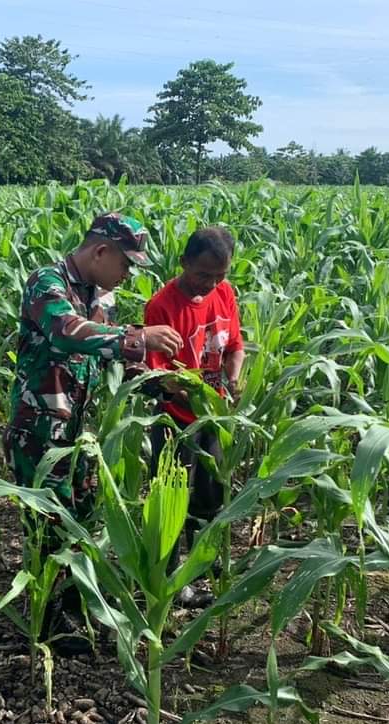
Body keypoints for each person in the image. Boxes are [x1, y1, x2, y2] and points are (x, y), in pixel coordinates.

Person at [3, 212, 183, 652]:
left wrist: (157, 382)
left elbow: (107, 352)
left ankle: (71, 601)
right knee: (46, 524)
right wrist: (137, 336)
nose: (128, 274)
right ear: (101, 251)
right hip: (39, 431)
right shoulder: (46, 283)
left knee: (78, 516)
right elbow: (68, 333)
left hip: (77, 432)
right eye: (126, 264)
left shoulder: (98, 297)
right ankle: (45, 624)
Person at [144, 227, 244, 608]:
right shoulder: (162, 306)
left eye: (220, 275)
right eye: (204, 274)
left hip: (213, 416)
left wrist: (232, 380)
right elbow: (161, 376)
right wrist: (199, 396)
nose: (212, 283)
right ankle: (170, 577)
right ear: (184, 262)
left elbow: (234, 346)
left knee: (211, 494)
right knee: (172, 499)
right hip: (176, 420)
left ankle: (204, 563)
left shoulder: (224, 292)